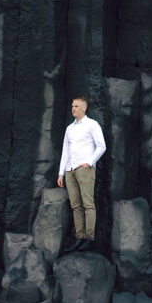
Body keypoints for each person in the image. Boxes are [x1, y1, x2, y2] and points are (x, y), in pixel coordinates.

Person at [56, 96, 106, 252]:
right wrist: (61, 173)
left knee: (88, 204)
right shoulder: (69, 128)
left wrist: (89, 163)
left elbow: (101, 146)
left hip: (84, 169)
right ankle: (80, 237)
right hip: (69, 170)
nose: (73, 108)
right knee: (76, 206)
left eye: (76, 106)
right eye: (72, 106)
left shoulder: (92, 125)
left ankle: (89, 239)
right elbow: (65, 151)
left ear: (84, 108)